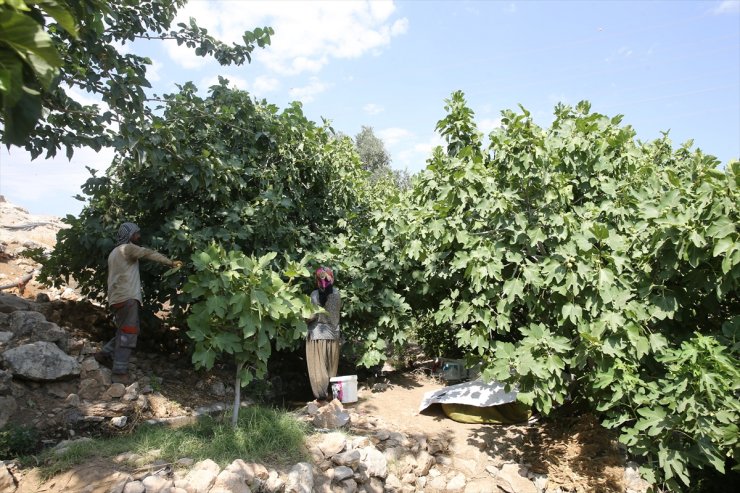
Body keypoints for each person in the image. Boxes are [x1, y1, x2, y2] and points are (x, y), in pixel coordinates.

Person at [95, 222, 182, 383]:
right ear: (129, 235)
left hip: (116, 298)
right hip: (127, 297)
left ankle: (104, 354)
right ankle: (119, 373)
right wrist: (170, 262)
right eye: (136, 234)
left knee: (123, 331)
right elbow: (147, 253)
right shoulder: (127, 249)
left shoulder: (114, 253)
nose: (139, 236)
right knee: (129, 333)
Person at [305, 266, 342, 402]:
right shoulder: (337, 295)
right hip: (333, 336)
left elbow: (310, 316)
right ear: (332, 278)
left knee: (318, 370)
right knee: (331, 369)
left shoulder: (314, 295)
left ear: (317, 280)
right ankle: (334, 397)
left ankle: (321, 398)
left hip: (317, 337)